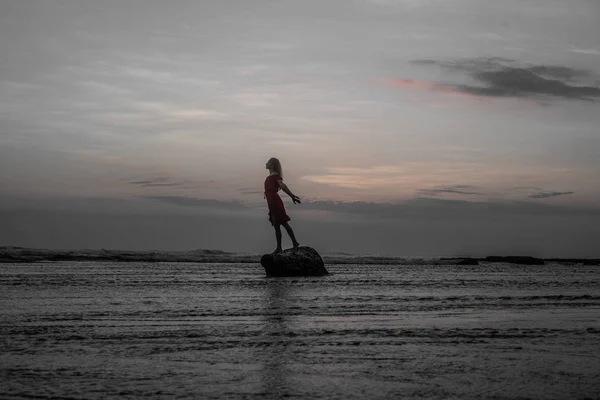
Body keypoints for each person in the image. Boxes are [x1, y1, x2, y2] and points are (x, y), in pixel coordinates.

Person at [264, 157, 301, 253]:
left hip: (275, 202)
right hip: (271, 203)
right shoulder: (270, 176)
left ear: (272, 165)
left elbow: (282, 185)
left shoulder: (275, 176)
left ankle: (295, 243)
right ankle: (279, 247)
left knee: (284, 222)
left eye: (268, 162)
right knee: (276, 225)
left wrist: (292, 196)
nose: (266, 164)